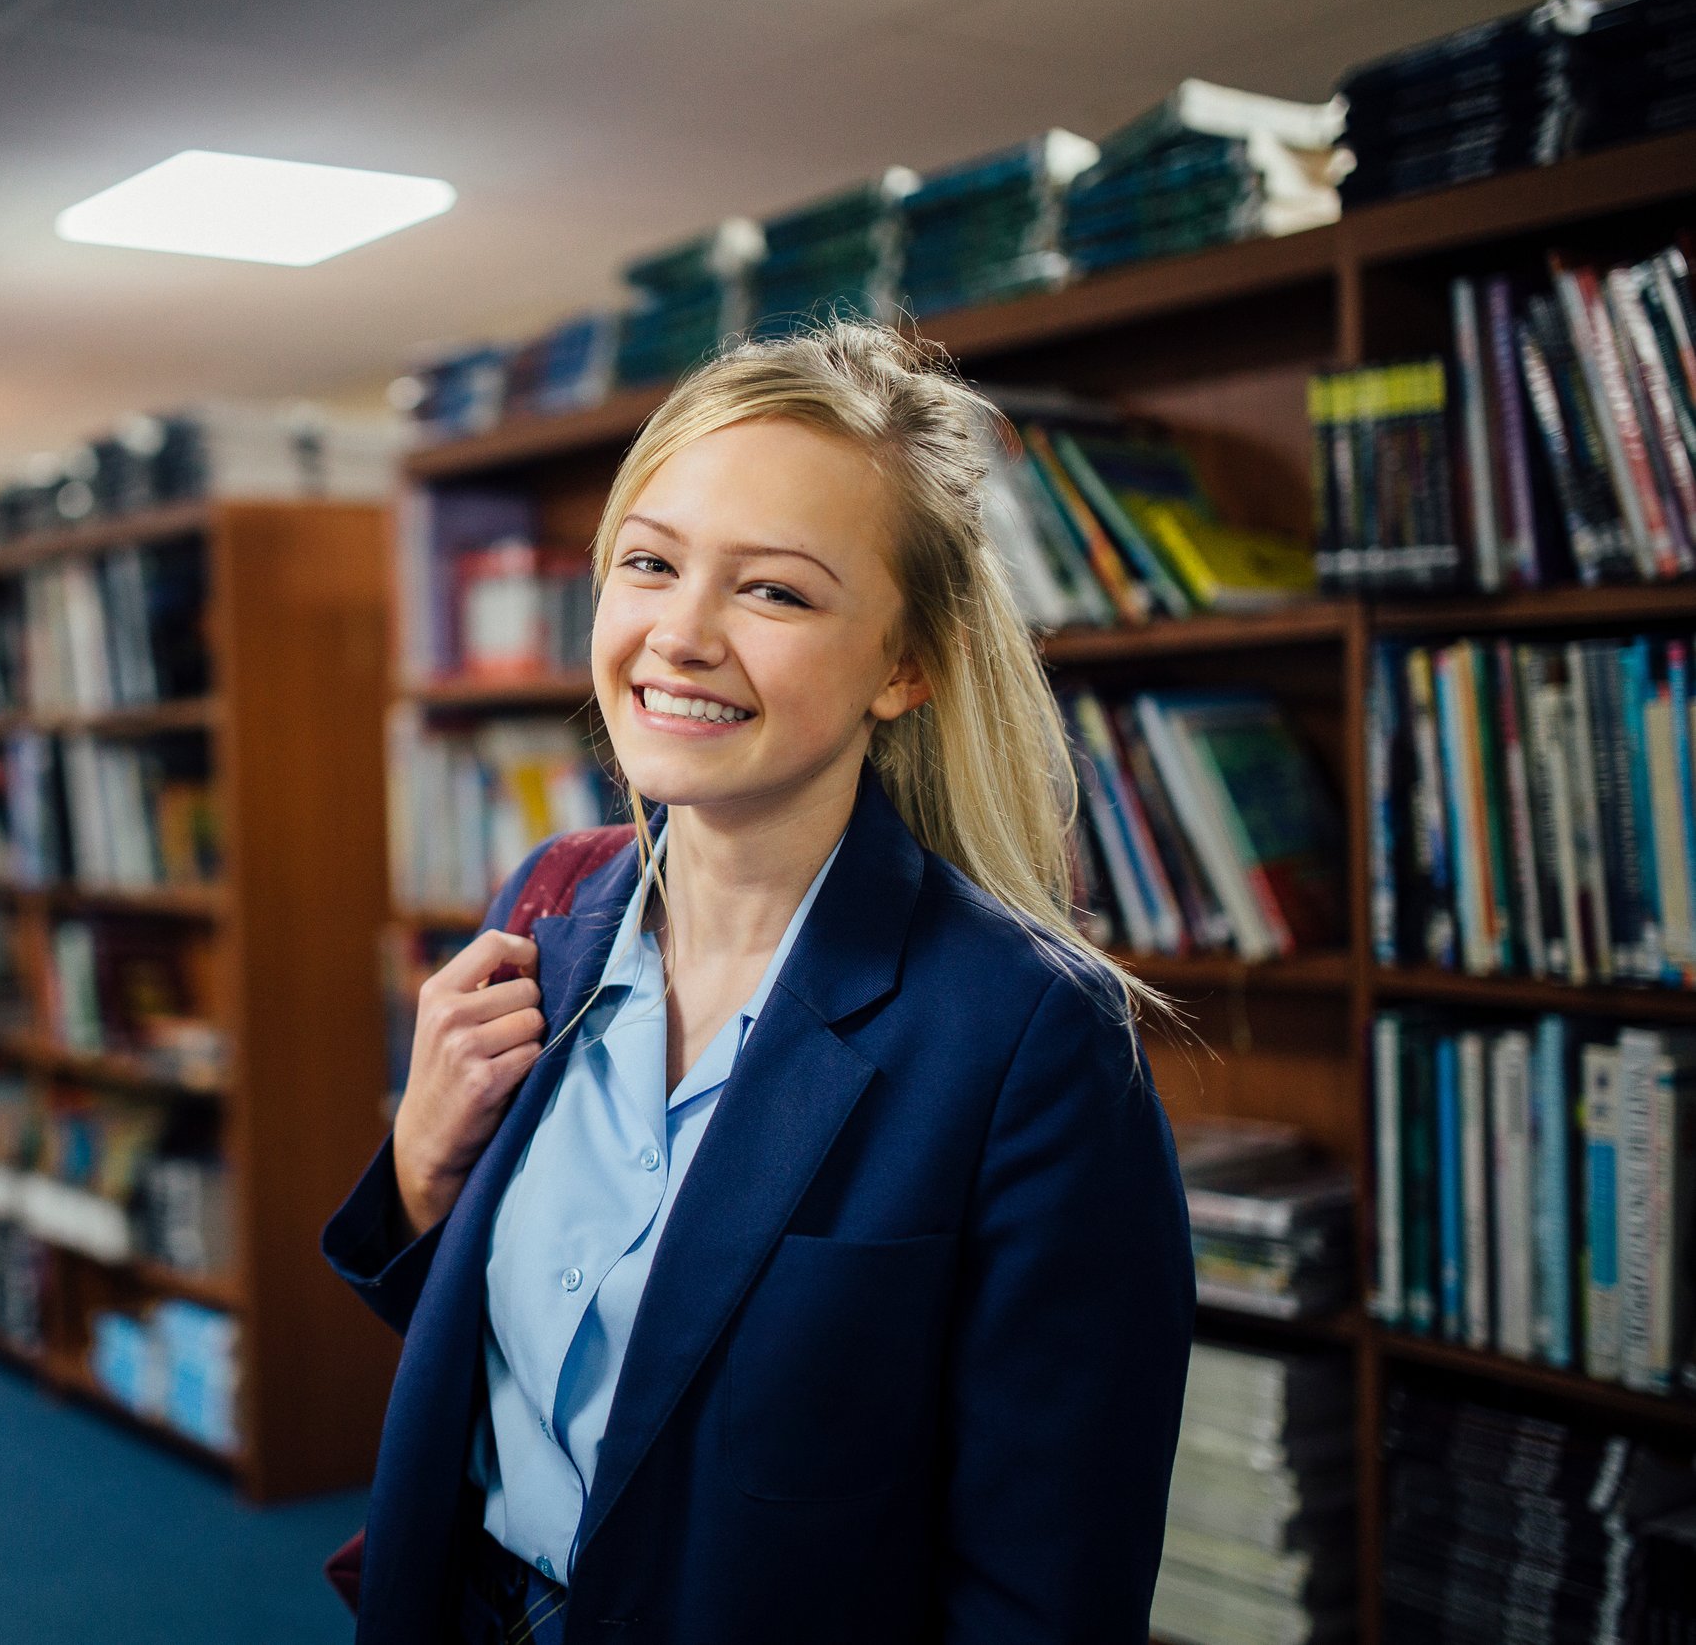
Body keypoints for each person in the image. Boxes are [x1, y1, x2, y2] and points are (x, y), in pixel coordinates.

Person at [323, 318, 1195, 1644]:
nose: (679, 635)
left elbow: (1048, 1580)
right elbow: (529, 1366)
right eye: (649, 564)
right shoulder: (548, 907)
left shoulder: (1030, 1039)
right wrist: (417, 1178)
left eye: (774, 591)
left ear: (906, 666)